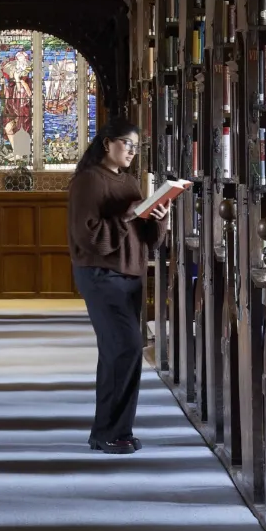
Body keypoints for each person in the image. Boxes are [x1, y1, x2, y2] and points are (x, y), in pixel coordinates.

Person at [67, 117, 172, 455]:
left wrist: (159, 216)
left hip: (130, 275)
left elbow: (146, 241)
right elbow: (89, 237)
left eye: (136, 146)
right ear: (106, 143)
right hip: (100, 274)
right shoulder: (87, 181)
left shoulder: (128, 182)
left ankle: (109, 432)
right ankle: (112, 431)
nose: (131, 150)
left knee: (117, 352)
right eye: (126, 143)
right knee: (126, 348)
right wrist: (127, 217)